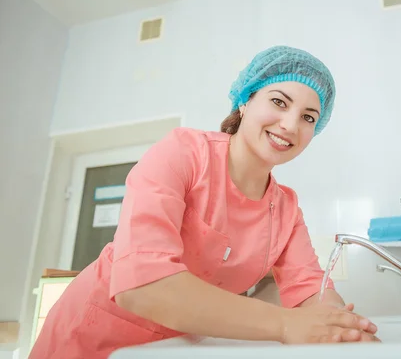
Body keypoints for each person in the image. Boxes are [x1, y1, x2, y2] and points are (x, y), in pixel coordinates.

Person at [29, 45, 379, 359]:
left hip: (175, 347)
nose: (290, 124)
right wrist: (287, 326)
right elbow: (142, 286)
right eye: (278, 101)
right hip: (91, 340)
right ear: (245, 100)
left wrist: (345, 331)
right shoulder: (183, 154)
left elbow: (310, 288)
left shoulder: (286, 209)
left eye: (308, 117)